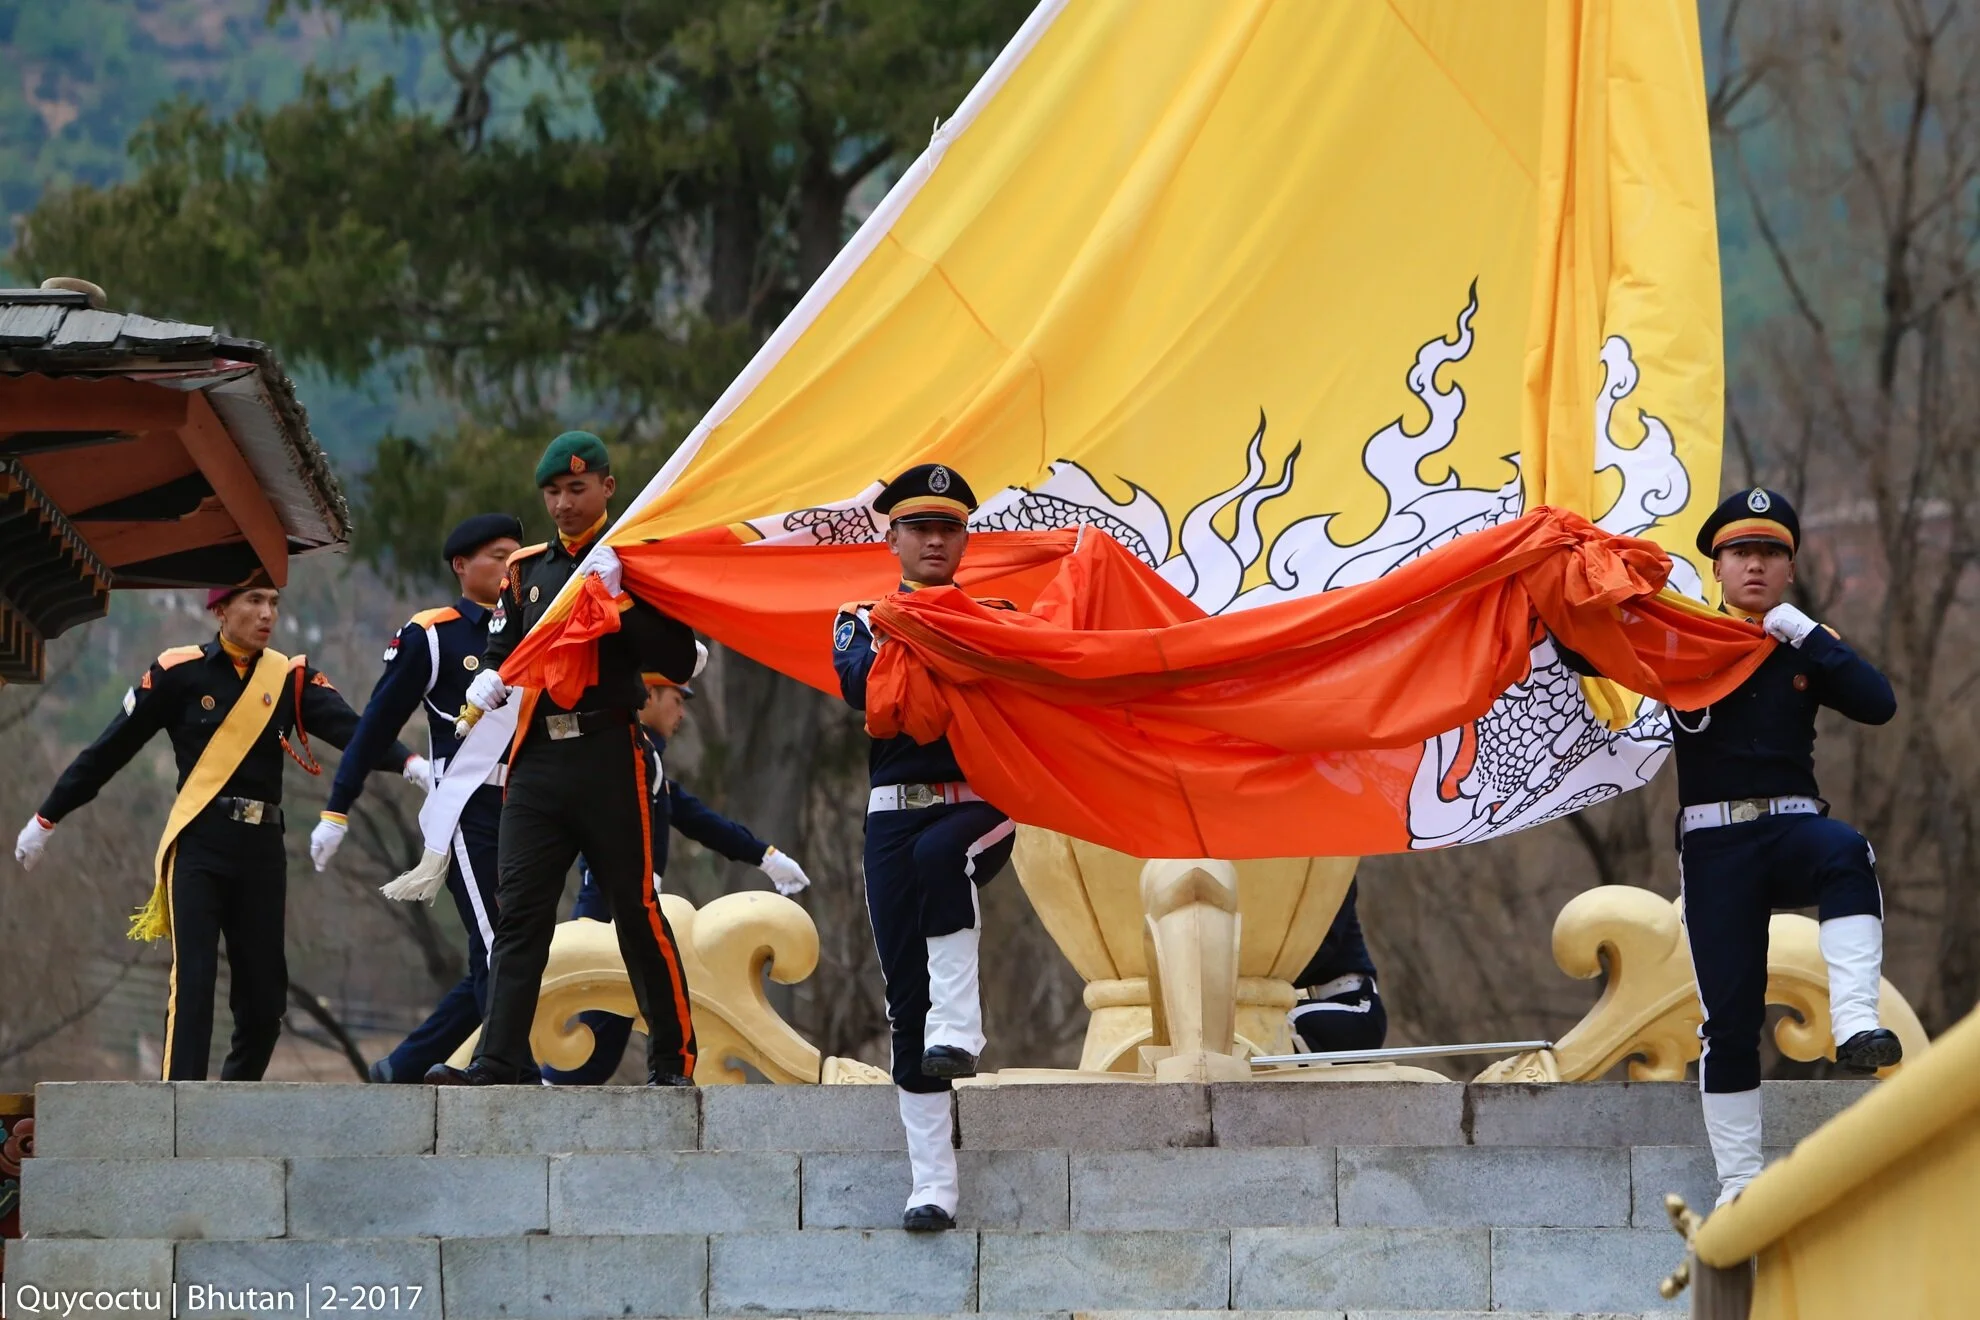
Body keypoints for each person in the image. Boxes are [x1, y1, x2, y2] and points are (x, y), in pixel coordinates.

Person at [1561, 487, 1899, 1207]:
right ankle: (1739, 1185)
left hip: (1790, 827)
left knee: (1847, 852)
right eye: (1741, 553)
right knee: (1731, 1022)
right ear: (1715, 567)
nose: (1755, 566)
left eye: (1772, 554)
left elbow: (1878, 703)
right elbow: (1583, 647)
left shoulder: (1801, 642)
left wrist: (1803, 632)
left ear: (1789, 569)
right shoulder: (1682, 637)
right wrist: (1564, 578)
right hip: (1717, 848)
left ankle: (1858, 1023)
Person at [12, 579, 417, 1080]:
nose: (267, 613)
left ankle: (229, 1102)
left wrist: (409, 762)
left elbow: (356, 732)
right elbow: (109, 750)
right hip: (201, 844)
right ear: (220, 610)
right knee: (195, 981)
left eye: (273, 602)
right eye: (253, 601)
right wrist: (46, 817)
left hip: (263, 849)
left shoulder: (288, 677)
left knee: (265, 1001)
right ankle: (178, 1108)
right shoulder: (178, 671)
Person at [429, 430, 702, 1087]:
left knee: (633, 910)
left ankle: (672, 1059)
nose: (562, 503)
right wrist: (487, 676)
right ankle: (499, 1059)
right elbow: (506, 642)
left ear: (607, 488)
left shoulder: (633, 564)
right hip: (539, 759)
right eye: (552, 492)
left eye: (576, 489)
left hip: (608, 753)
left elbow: (679, 657)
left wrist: (620, 599)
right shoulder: (527, 570)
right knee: (519, 911)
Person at [833, 463, 1016, 1233]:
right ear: (895, 539)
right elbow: (868, 693)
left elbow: (1018, 677)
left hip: (984, 805)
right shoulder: (859, 618)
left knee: (944, 859)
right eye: (920, 528)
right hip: (891, 817)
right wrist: (939, 639)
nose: (934, 540)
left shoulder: (1000, 611)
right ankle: (933, 1187)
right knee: (905, 1002)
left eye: (948, 528)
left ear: (965, 540)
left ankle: (962, 1029)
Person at [307, 513, 531, 1084]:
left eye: (517, 555)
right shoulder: (434, 634)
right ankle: (509, 1067)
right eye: (497, 555)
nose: (511, 567)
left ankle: (402, 1065)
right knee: (500, 939)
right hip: (468, 805)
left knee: (505, 944)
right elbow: (375, 726)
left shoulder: (534, 625)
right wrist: (338, 806)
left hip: (529, 807)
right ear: (462, 565)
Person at [543, 670, 813, 1084]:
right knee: (601, 1032)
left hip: (627, 898)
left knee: (608, 1031)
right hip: (612, 900)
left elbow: (691, 814)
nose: (682, 713)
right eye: (677, 699)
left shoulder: (645, 755)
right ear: (648, 694)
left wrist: (764, 855)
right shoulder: (622, 753)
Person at [1287, 881, 1387, 1055]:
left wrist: (1274, 975)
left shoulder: (1337, 878)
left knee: (1278, 1022)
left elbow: (1325, 946)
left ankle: (1319, 1081)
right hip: (1328, 1005)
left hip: (1358, 1008)